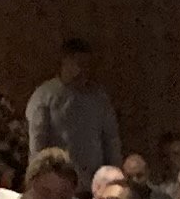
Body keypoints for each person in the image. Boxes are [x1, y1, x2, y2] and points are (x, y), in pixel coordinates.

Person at [25, 37, 122, 188]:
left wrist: (115, 179)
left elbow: (111, 141)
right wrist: (37, 183)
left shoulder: (99, 98)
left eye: (88, 65)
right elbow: (37, 147)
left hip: (94, 187)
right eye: (79, 64)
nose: (84, 70)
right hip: (58, 187)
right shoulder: (45, 97)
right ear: (65, 62)